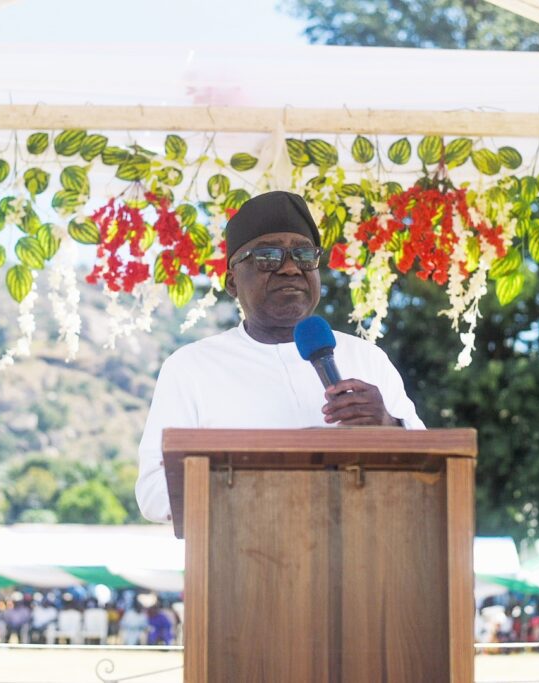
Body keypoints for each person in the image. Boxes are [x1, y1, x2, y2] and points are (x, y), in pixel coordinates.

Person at [135, 191, 424, 522]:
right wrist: (246, 480)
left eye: (304, 255)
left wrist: (388, 424)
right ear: (232, 281)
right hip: (242, 562)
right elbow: (153, 493)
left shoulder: (366, 358)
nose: (290, 269)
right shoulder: (191, 367)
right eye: (268, 256)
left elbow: (430, 470)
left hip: (364, 561)